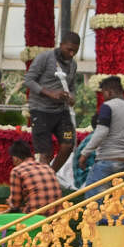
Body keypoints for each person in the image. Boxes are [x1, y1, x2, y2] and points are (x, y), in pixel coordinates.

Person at [24, 32, 80, 171]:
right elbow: (29, 80)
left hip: (61, 111)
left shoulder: (73, 64)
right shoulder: (45, 58)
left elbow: (72, 87)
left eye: (75, 51)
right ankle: (46, 177)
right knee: (46, 152)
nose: (72, 54)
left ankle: (51, 174)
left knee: (68, 144)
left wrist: (72, 97)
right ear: (61, 45)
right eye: (69, 49)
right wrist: (50, 93)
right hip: (41, 110)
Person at [78, 75, 124, 187]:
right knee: (121, 201)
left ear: (109, 92)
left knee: (94, 201)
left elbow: (101, 132)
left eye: (103, 93)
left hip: (107, 161)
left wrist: (84, 154)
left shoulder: (108, 106)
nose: (103, 97)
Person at [6, 140, 63, 213]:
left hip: (36, 218)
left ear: (15, 158)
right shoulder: (47, 167)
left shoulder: (17, 171)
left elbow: (15, 204)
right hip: (57, 217)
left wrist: (10, 201)